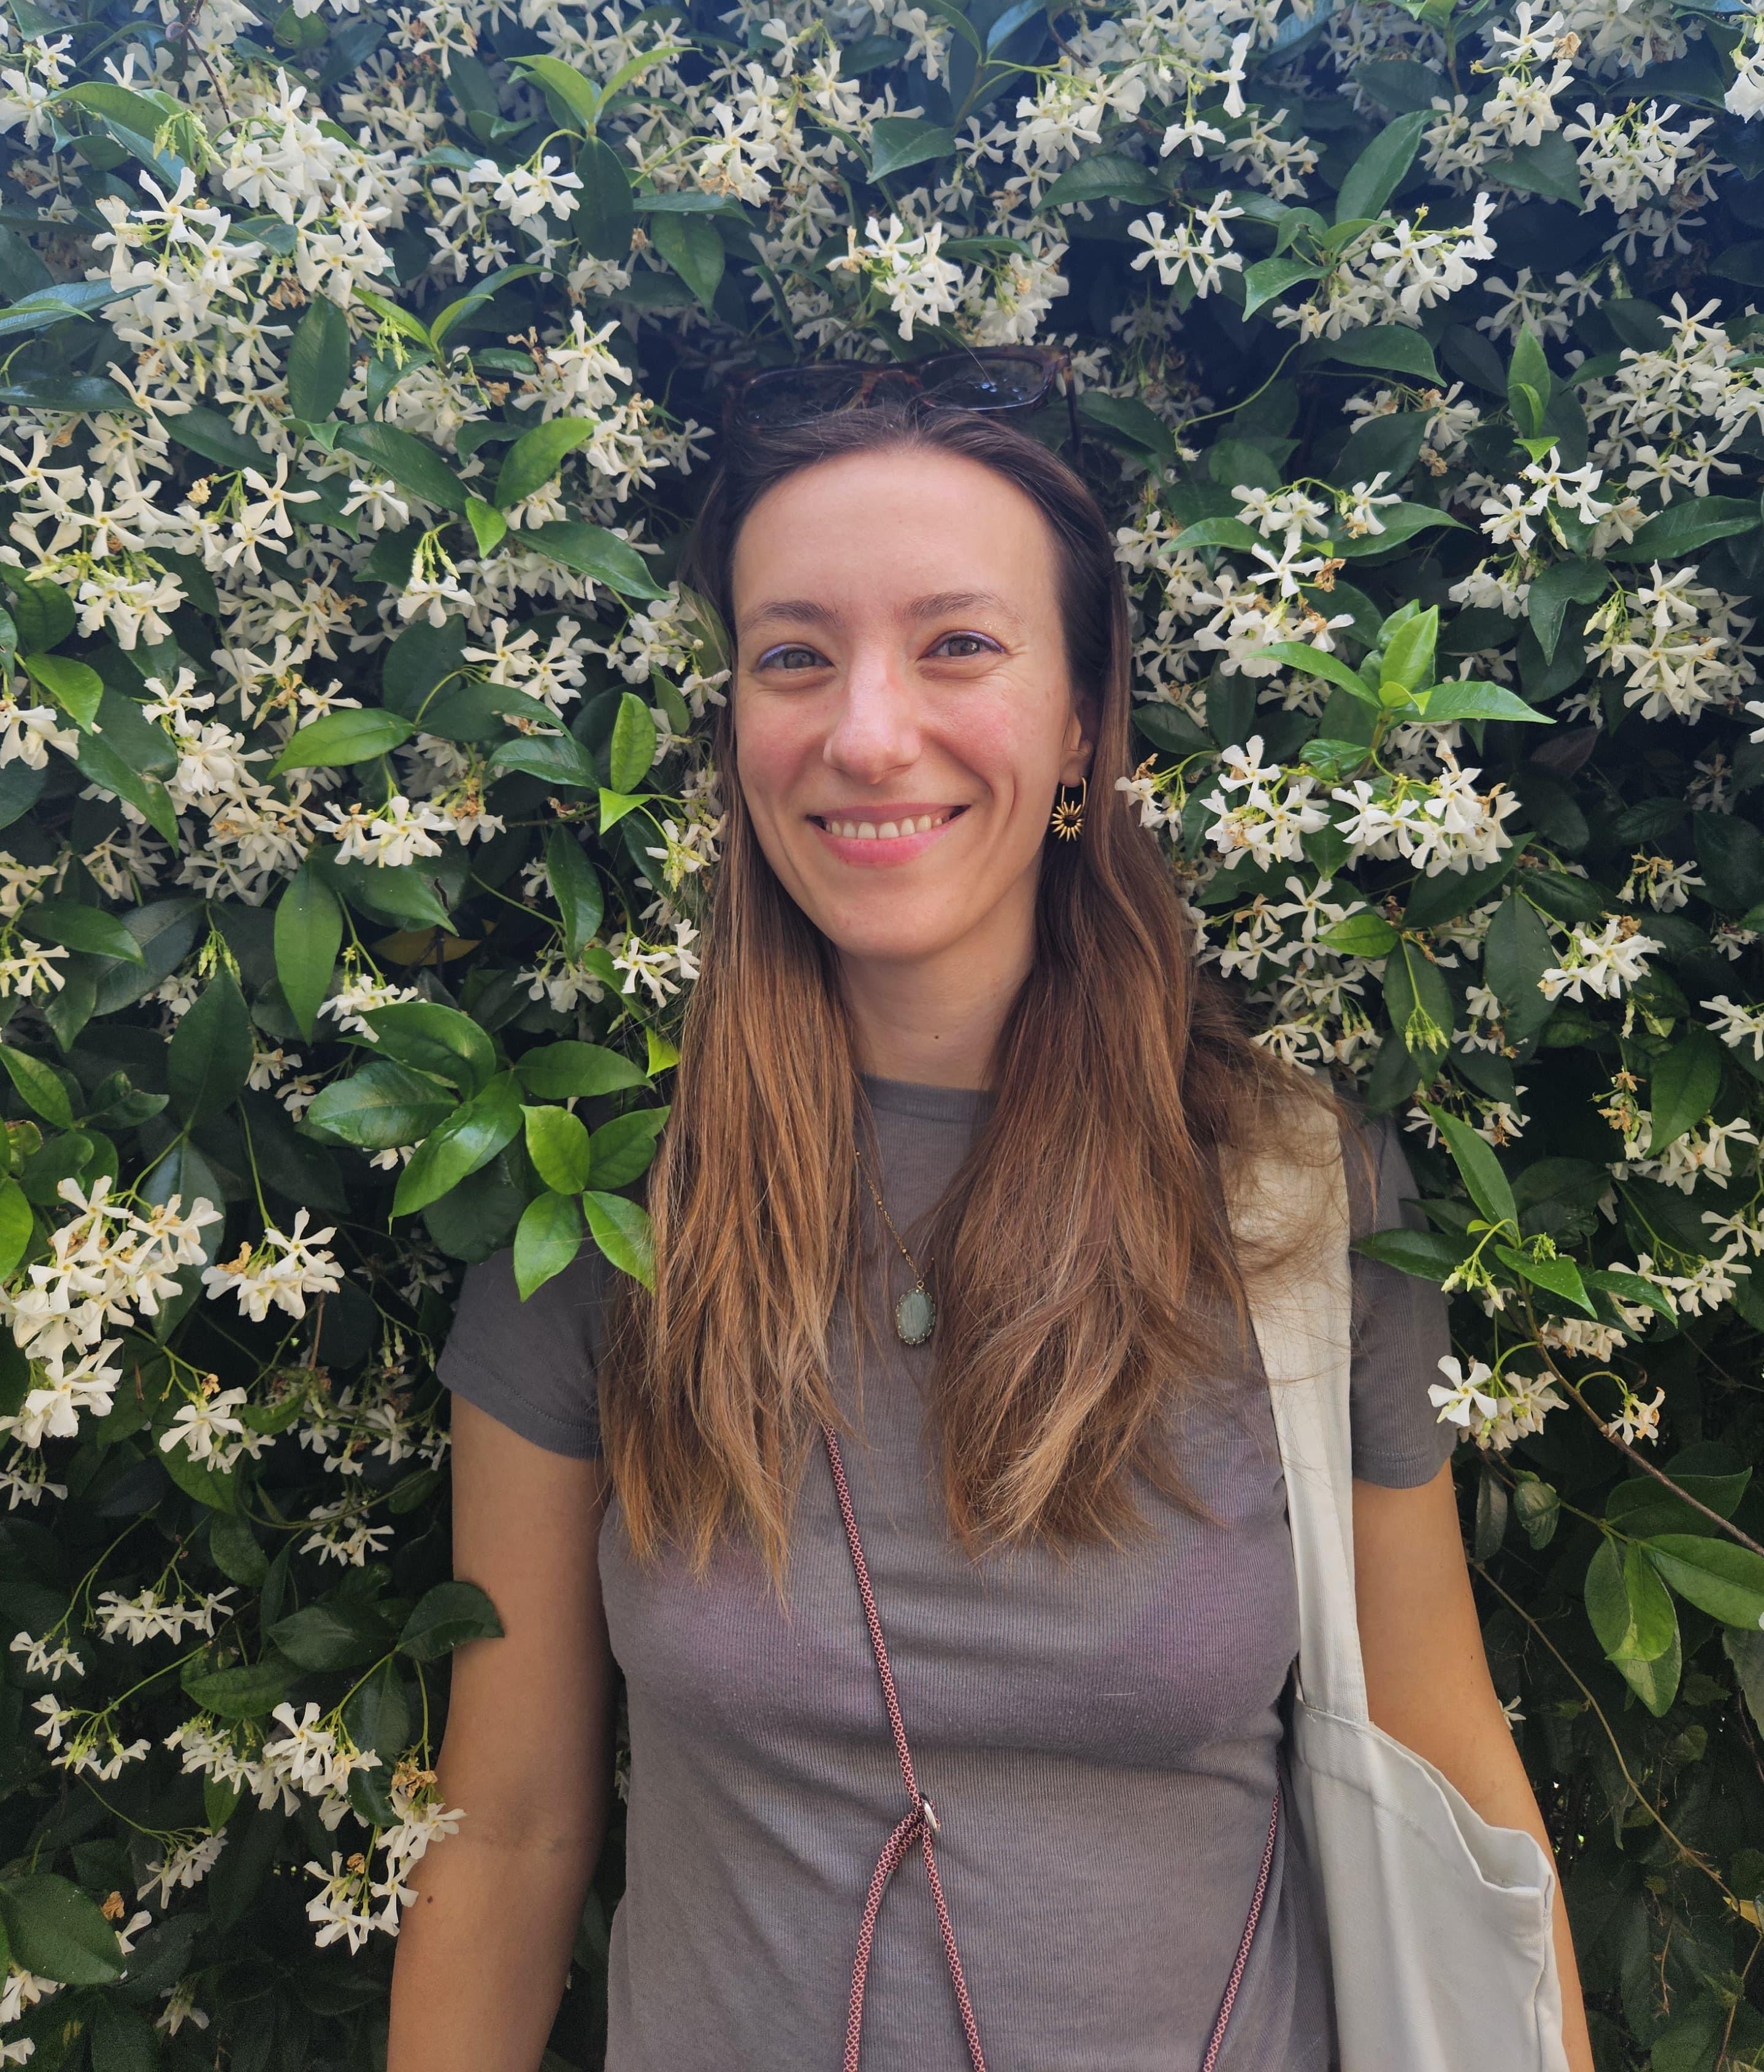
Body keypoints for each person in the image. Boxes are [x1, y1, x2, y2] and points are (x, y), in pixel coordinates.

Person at [388, 399, 1593, 2071]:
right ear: (735, 719)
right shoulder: (602, 1227)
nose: (869, 734)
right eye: (794, 656)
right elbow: (509, 1826)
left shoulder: (1294, 1203)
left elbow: (1445, 1753)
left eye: (958, 644)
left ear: (1088, 723)